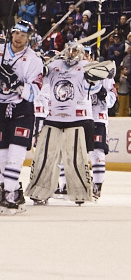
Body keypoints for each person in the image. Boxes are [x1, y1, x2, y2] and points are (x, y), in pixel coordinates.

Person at [26, 41, 103, 206]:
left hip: (75, 119)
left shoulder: (86, 66)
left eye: (75, 50)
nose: (71, 53)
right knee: (44, 156)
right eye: (69, 50)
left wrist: (94, 78)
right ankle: (40, 191)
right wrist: (41, 66)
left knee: (76, 158)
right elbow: (40, 79)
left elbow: (95, 89)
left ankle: (80, 192)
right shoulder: (55, 64)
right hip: (53, 117)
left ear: (81, 52)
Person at [0, 20, 44, 211]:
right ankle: (15, 189)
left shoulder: (34, 60)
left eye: (23, 35)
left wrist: (16, 83)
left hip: (22, 110)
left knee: (16, 155)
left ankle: (8, 194)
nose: (18, 38)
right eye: (16, 33)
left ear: (28, 38)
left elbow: (35, 93)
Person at [89, 62, 117, 199]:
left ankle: (97, 185)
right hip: (79, 117)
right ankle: (66, 185)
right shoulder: (78, 71)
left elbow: (112, 101)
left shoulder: (106, 76)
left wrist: (104, 95)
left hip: (98, 118)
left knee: (97, 151)